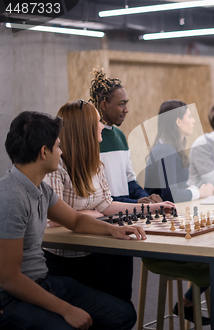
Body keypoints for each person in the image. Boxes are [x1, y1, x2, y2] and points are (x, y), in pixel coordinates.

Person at [0, 111, 145, 330]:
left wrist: (112, 230)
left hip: (44, 282)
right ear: (43, 152)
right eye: (58, 146)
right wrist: (66, 309)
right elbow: (9, 278)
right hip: (11, 297)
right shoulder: (11, 197)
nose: (61, 152)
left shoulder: (41, 188)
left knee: (122, 314)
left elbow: (75, 220)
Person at [43, 100, 175, 304]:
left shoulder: (96, 164)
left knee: (121, 301)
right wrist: (94, 214)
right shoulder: (56, 166)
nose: (103, 126)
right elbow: (54, 219)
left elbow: (106, 206)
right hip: (62, 261)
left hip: (89, 253)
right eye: (98, 121)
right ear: (83, 129)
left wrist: (151, 208)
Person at [89, 68, 161, 204]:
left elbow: (130, 181)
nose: (126, 110)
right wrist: (135, 204)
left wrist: (146, 197)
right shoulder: (90, 138)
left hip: (124, 210)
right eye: (121, 104)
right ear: (104, 105)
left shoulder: (120, 136)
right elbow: (97, 198)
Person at [144, 100, 214, 203]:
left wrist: (197, 188)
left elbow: (179, 186)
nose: (193, 121)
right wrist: (200, 193)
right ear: (178, 122)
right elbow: (171, 195)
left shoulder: (171, 147)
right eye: (189, 116)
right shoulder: (165, 150)